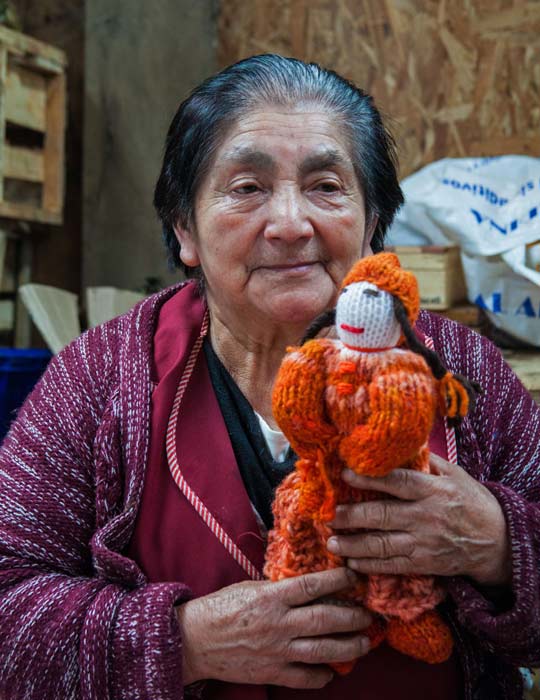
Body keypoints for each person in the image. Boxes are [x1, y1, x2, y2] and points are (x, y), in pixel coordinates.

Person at [0, 54, 538, 700]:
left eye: (327, 186)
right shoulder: (98, 379)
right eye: (247, 187)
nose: (290, 223)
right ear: (184, 229)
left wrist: (498, 544)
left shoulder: (465, 373)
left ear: (370, 225)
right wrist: (184, 642)